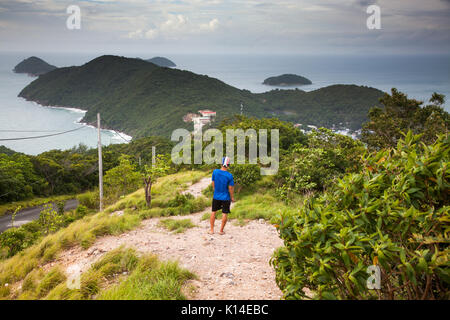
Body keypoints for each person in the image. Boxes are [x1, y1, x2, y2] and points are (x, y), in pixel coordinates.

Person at [210, 156, 235, 235]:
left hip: (216, 196)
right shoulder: (229, 175)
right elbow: (230, 188)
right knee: (224, 213)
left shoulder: (215, 172)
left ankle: (211, 230)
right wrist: (232, 197)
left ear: (221, 164)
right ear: (228, 165)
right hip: (226, 197)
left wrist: (215, 190)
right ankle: (221, 231)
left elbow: (213, 183)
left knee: (213, 212)